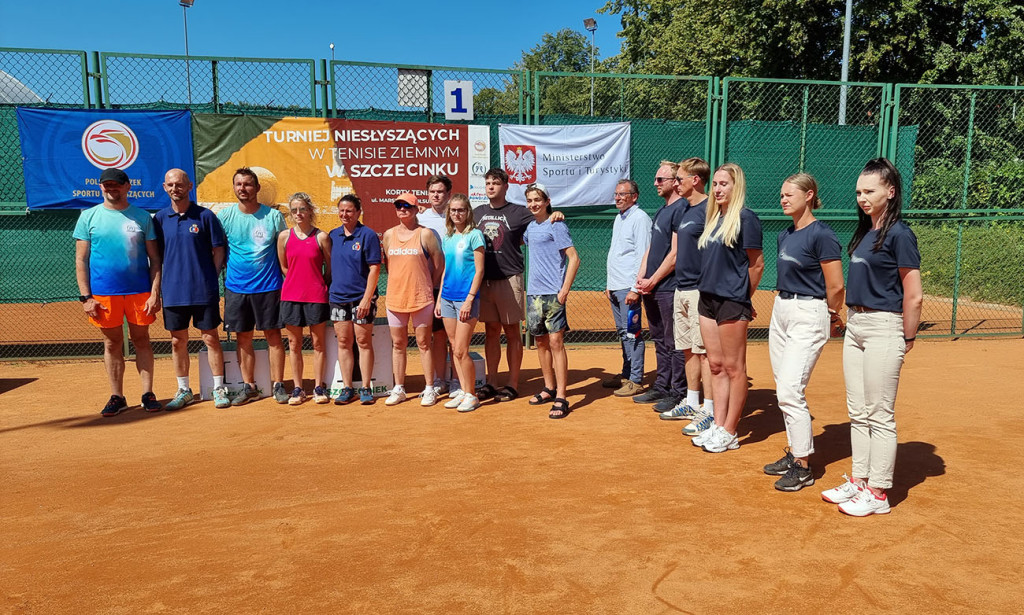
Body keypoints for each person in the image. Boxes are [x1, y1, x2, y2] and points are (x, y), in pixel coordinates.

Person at [821, 158, 922, 516]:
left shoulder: (900, 234)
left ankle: (879, 493)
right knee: (857, 411)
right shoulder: (866, 232)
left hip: (884, 327)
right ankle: (860, 481)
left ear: (890, 192)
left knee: (879, 413)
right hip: (857, 325)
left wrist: (906, 337)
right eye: (859, 192)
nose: (863, 198)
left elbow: (914, 293)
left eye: (870, 191)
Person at [763, 173, 845, 492]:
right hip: (782, 308)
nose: (782, 199)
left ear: (809, 195)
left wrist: (835, 315)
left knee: (789, 390)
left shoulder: (821, 234)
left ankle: (803, 467)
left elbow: (836, 284)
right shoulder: (785, 234)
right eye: (781, 195)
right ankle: (796, 451)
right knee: (783, 387)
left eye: (789, 194)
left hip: (810, 312)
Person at [73, 168, 162, 416]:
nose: (112, 189)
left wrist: (155, 293)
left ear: (127, 186)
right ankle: (117, 396)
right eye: (107, 185)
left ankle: (147, 393)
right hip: (103, 294)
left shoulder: (142, 218)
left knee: (141, 340)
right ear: (101, 187)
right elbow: (81, 260)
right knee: (112, 343)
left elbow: (155, 260)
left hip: (139, 291)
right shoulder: (88, 217)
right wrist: (86, 297)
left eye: (116, 185)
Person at [691, 163, 764, 453]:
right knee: (716, 365)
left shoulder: (746, 218)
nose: (718, 189)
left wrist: (743, 296)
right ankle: (718, 425)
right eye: (716, 184)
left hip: (732, 301)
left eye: (725, 184)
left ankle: (731, 431)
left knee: (735, 368)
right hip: (706, 299)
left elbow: (756, 264)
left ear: (737, 187)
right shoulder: (713, 218)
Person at [153, 168, 229, 411]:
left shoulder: (205, 216)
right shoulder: (160, 219)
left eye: (180, 184)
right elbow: (156, 256)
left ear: (189, 186)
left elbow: (219, 250)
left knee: (210, 338)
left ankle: (219, 388)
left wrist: (210, 276)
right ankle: (184, 390)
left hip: (203, 290)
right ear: (165, 187)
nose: (175, 188)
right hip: (174, 291)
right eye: (171, 185)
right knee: (177, 341)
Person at [217, 167, 288, 406]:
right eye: (239, 184)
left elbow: (283, 252)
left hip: (269, 287)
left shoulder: (274, 217)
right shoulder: (225, 217)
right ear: (234, 187)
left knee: (274, 336)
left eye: (248, 184)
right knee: (243, 338)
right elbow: (220, 251)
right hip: (237, 288)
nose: (243, 189)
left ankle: (278, 384)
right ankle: (249, 387)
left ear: (257, 188)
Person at [662, 158, 715, 425]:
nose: (675, 183)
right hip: (680, 289)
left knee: (704, 351)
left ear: (695, 180)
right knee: (687, 350)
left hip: (699, 290)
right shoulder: (683, 209)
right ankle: (692, 402)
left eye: (680, 178)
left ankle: (710, 409)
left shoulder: (710, 209)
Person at [522, 184, 581, 418]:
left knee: (556, 342)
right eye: (529, 200)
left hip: (554, 293)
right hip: (533, 294)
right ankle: (548, 388)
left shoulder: (557, 225)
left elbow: (574, 258)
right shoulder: (529, 227)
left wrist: (564, 290)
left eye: (537, 199)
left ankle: (562, 396)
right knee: (541, 342)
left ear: (547, 201)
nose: (533, 204)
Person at [634, 161, 687, 412]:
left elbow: (675, 254)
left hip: (669, 287)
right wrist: (641, 278)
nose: (655, 184)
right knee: (659, 338)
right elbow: (651, 249)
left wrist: (654, 279)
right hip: (652, 287)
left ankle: (679, 392)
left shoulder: (681, 209)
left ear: (675, 182)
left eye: (660, 180)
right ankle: (662, 386)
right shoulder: (661, 210)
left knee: (673, 340)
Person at [381, 192, 444, 406]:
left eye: (407, 206)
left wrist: (426, 284)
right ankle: (399, 388)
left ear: (417, 209)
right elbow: (389, 266)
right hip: (395, 299)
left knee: (424, 343)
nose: (402, 209)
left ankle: (429, 388)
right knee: (398, 344)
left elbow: (438, 264)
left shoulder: (425, 234)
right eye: (399, 205)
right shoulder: (388, 235)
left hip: (421, 298)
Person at [277, 193, 332, 406]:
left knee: (318, 344)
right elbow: (284, 266)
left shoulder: (322, 237)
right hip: (290, 296)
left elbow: (330, 267)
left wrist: (319, 283)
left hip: (316, 296)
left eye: (302, 209)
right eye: (294, 210)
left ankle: (319, 387)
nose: (298, 214)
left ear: (310, 211)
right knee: (294, 343)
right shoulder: (284, 236)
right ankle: (298, 389)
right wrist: (295, 281)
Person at [433, 194, 485, 412]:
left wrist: (469, 300)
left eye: (461, 210)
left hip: (466, 300)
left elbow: (480, 270)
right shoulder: (448, 237)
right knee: (454, 348)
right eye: (453, 210)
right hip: (446, 299)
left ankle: (471, 395)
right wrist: (438, 300)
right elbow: (445, 270)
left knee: (462, 349)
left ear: (468, 211)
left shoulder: (475, 235)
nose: (457, 213)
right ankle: (464, 391)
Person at [328, 194, 380, 406]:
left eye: (349, 210)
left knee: (363, 342)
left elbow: (375, 268)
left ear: (358, 212)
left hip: (361, 299)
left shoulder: (367, 235)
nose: (344, 214)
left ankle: (366, 387)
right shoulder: (332, 236)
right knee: (343, 342)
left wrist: (367, 299)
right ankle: (348, 388)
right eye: (341, 210)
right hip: (338, 299)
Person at [602, 179, 652, 397]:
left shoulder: (640, 219)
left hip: (628, 288)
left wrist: (635, 288)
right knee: (623, 332)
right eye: (616, 194)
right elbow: (618, 253)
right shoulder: (619, 217)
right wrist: (610, 285)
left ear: (634, 196)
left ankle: (635, 380)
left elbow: (644, 255)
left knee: (632, 333)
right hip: (616, 286)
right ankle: (626, 374)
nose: (618, 198)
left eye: (623, 194)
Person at [418, 175, 452, 396]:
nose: (436, 195)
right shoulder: (420, 218)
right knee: (433, 335)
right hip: (428, 286)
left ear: (448, 194)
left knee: (451, 336)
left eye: (440, 191)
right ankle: (438, 380)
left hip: (452, 285)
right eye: (432, 191)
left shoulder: (457, 215)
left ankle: (455, 380)